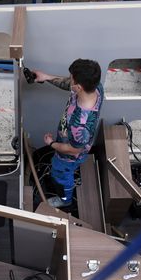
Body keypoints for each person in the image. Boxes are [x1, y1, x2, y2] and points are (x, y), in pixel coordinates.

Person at [33, 59, 104, 208]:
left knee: (60, 175)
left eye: (71, 78)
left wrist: (51, 144)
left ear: (78, 87)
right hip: (70, 141)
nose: (69, 80)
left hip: (69, 156)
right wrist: (46, 77)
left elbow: (73, 150)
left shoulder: (81, 126)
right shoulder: (96, 87)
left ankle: (65, 200)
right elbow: (68, 84)